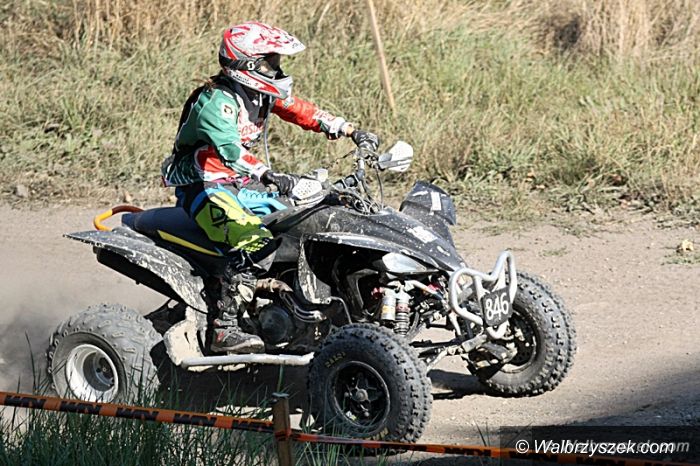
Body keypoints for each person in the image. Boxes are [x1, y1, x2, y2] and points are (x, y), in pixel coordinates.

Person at [161, 21, 380, 354]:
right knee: (251, 238)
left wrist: (349, 129)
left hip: (241, 181)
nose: (277, 69)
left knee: (305, 218)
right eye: (270, 62)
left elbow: (300, 111)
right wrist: (269, 175)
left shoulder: (260, 94)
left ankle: (301, 306)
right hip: (204, 185)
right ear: (247, 65)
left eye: (277, 61)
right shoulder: (215, 102)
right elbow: (231, 151)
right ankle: (223, 328)